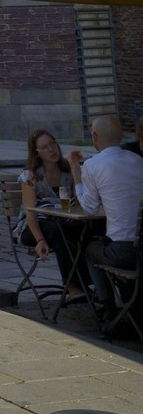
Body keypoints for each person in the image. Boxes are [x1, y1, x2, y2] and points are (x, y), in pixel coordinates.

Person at [69, 114, 143, 325]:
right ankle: (128, 308)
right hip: (140, 247)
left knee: (90, 248)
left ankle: (109, 309)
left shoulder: (93, 165)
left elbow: (89, 209)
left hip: (123, 251)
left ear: (94, 136)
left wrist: (76, 172)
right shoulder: (138, 160)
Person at [18, 128, 89, 298]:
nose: (51, 149)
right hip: (33, 227)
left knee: (85, 229)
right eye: (44, 147)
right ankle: (73, 286)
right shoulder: (31, 176)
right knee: (58, 230)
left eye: (52, 144)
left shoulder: (67, 172)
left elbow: (81, 203)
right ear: (37, 153)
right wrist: (40, 240)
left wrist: (75, 169)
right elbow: (30, 213)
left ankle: (91, 282)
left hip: (65, 221)